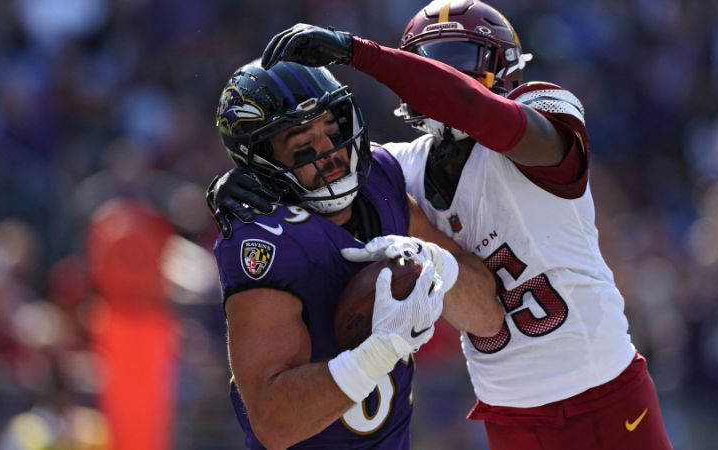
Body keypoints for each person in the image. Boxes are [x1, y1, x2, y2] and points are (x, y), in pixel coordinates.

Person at [208, 1, 674, 449]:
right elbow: (318, 171)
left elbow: (473, 108)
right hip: (505, 407)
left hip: (601, 387)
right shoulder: (403, 168)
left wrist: (359, 52)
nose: (454, 76)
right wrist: (239, 180)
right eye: (436, 63)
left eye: (464, 61)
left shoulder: (546, 118)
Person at [209, 58, 500, 449]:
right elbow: (274, 420)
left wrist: (434, 263)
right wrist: (384, 348)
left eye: (332, 129)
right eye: (302, 145)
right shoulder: (262, 238)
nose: (330, 152)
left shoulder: (379, 180)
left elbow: (487, 316)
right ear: (260, 159)